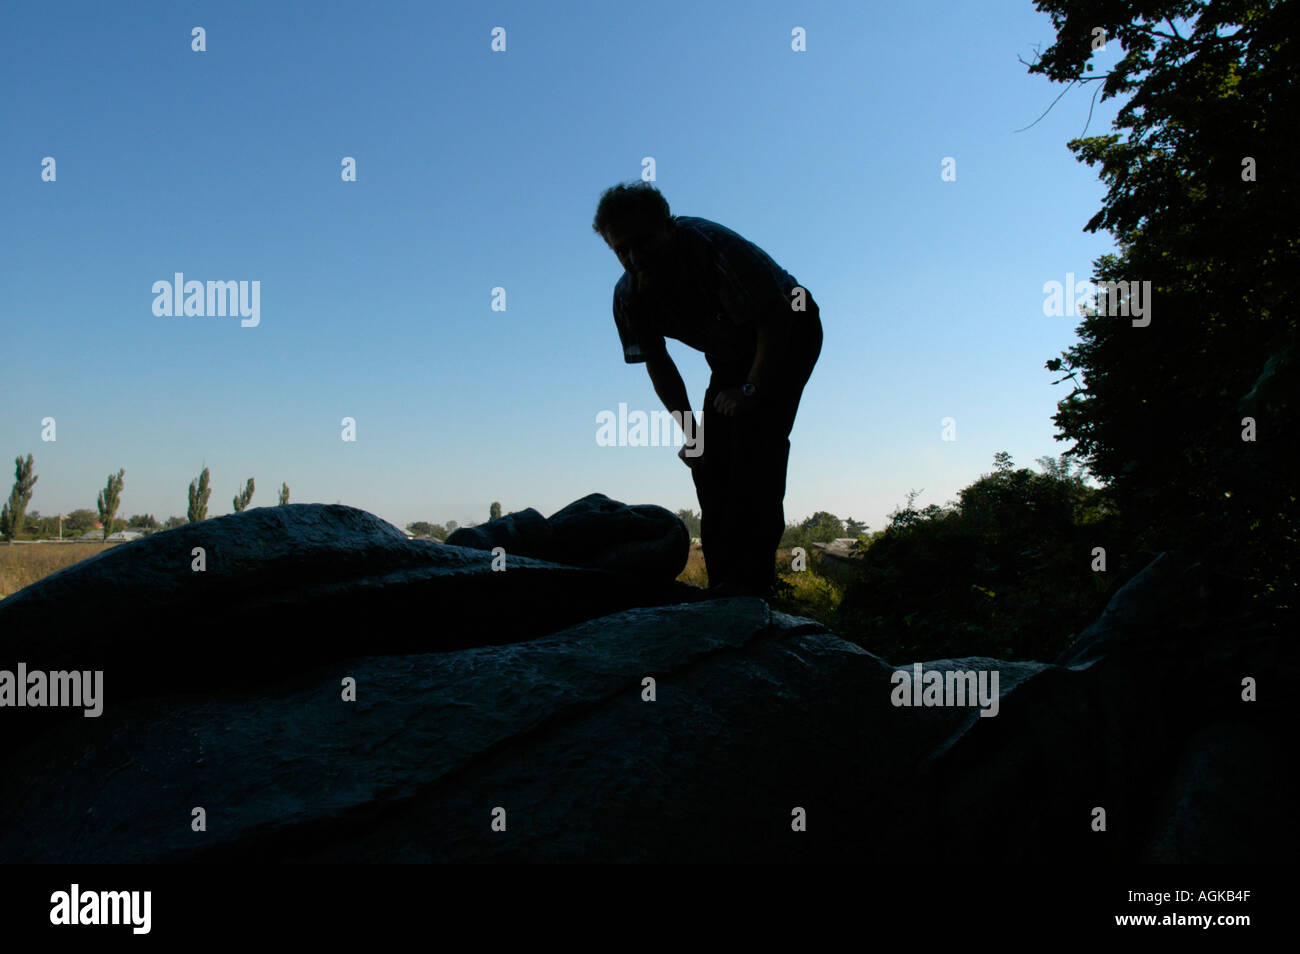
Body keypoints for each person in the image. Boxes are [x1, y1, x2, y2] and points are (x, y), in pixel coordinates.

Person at [593, 181, 823, 599]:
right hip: (730, 354)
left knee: (755, 440)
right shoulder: (629, 296)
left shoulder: (711, 246)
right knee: (708, 458)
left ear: (668, 225)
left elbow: (775, 316)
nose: (634, 256)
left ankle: (754, 584)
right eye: (621, 249)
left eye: (643, 241)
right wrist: (691, 435)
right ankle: (723, 583)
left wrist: (751, 390)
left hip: (790, 325)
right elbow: (659, 365)